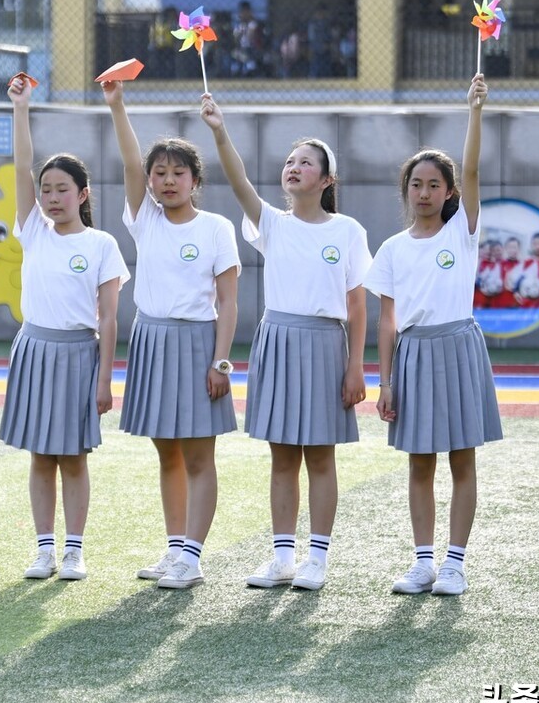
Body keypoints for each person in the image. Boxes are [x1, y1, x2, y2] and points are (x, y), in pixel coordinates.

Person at [200, 94, 371, 592]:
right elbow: (238, 182)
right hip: (277, 339)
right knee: (281, 455)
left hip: (324, 345)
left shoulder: (349, 231)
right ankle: (282, 557)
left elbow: (358, 307)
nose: (295, 168)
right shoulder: (272, 223)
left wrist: (356, 367)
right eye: (291, 161)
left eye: (307, 163)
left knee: (319, 456)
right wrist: (218, 130)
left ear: (327, 180)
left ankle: (316, 559)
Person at [364, 73, 503, 597]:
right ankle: (423, 562)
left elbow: (470, 166)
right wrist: (387, 381)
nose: (424, 192)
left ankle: (455, 564)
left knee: (461, 458)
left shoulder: (461, 233)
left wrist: (475, 110)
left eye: (434, 185)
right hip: (414, 356)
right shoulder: (394, 249)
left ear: (449, 193)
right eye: (416, 184)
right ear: (406, 191)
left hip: (460, 348)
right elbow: (385, 321)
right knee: (419, 462)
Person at [103, 79, 240, 590]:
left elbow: (228, 301)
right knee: (168, 453)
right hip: (152, 342)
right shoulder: (144, 220)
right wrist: (118, 105)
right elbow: (128, 157)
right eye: (158, 173)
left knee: (199, 455)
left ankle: (194, 556)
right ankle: (175, 547)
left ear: (194, 180)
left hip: (200, 343)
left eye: (177, 173)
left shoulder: (217, 229)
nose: (165, 180)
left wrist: (221, 361)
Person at [2, 75, 129, 581]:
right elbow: (19, 165)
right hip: (34, 349)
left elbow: (109, 318)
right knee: (41, 456)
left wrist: (103, 379)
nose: (52, 197)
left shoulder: (101, 245)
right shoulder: (33, 229)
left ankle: (74, 550)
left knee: (73, 457)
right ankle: (44, 549)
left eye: (62, 190)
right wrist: (20, 108)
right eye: (45, 189)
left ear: (83, 194)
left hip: (80, 355)